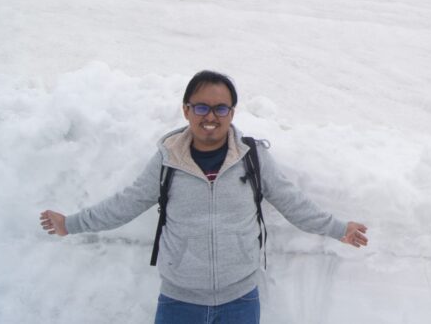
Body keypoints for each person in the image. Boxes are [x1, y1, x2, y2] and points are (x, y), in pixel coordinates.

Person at [39, 70, 368, 323]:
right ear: (186, 110)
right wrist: (71, 223)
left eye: (220, 108)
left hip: (240, 300)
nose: (210, 116)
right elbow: (125, 203)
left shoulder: (253, 158)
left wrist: (339, 229)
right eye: (201, 107)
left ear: (232, 113)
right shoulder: (167, 161)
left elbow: (292, 202)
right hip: (179, 301)